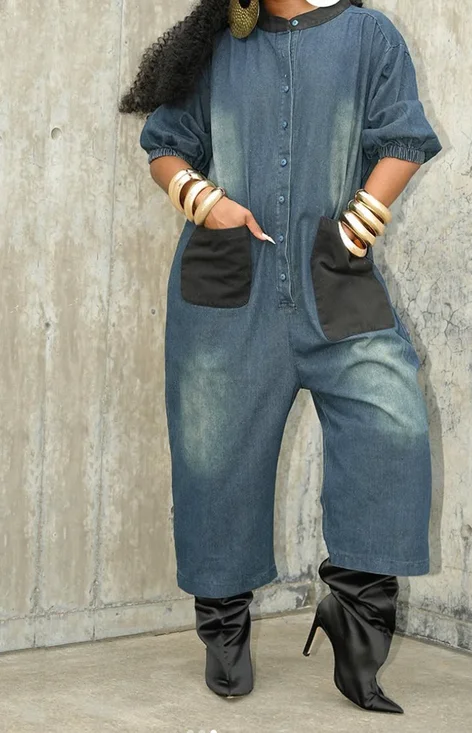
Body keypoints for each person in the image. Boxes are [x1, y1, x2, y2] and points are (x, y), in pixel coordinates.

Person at [119, 0, 442, 714]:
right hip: (226, 290)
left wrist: (353, 229)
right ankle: (223, 630)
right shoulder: (215, 46)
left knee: (391, 432)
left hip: (335, 278)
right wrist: (204, 201)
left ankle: (357, 620)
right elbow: (163, 145)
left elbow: (403, 139)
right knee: (215, 461)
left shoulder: (368, 37)